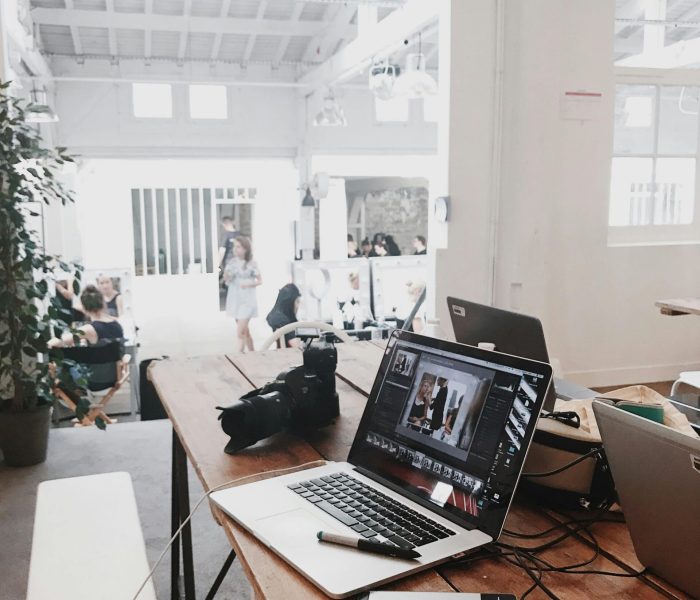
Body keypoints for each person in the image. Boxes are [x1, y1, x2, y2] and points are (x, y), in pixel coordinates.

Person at [48, 285, 123, 348]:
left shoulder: (89, 329)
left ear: (84, 308)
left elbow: (58, 342)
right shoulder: (117, 324)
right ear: (103, 304)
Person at [223, 236, 261, 353]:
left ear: (245, 249)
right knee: (245, 331)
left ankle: (239, 356)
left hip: (247, 301)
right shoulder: (232, 263)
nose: (235, 249)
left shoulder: (252, 263)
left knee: (240, 332)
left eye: (238, 247)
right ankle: (253, 352)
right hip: (235, 300)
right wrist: (227, 274)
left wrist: (248, 283)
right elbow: (226, 280)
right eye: (234, 247)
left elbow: (259, 280)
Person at [266, 283, 302, 348]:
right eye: (297, 302)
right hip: (292, 354)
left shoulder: (276, 315)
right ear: (289, 302)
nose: (298, 306)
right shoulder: (281, 320)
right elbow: (297, 346)